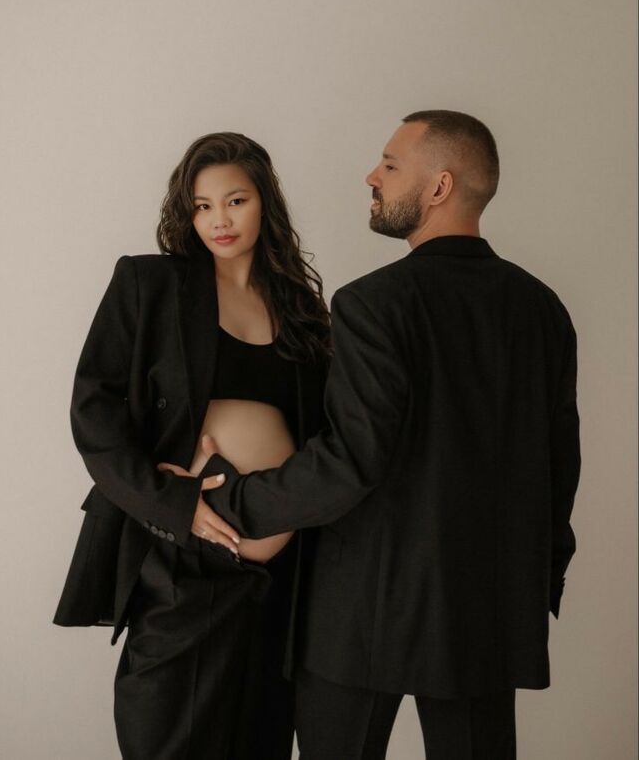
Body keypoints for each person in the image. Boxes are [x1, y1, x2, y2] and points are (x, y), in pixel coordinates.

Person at [199, 111, 581, 760]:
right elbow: (558, 465)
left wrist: (232, 501)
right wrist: (537, 581)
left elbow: (350, 462)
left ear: (439, 186)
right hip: (487, 608)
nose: (372, 176)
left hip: (362, 611)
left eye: (391, 165)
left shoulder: (373, 303)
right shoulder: (543, 309)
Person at [53, 132, 331, 759]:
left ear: (265, 203)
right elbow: (93, 409)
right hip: (181, 558)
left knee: (257, 740)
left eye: (235, 201)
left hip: (274, 582)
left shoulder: (300, 308)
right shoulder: (151, 284)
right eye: (202, 206)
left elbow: (321, 435)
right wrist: (174, 503)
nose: (218, 220)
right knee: (166, 735)